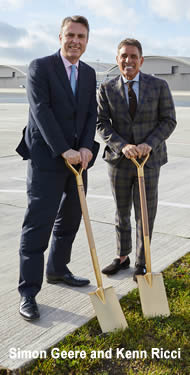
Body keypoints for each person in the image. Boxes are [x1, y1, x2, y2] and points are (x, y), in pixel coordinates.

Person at [16, 15, 98, 321]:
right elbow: (41, 111)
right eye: (70, 35)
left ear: (87, 41)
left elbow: (91, 111)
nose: (75, 40)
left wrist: (87, 147)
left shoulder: (89, 73)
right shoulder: (40, 67)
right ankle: (28, 292)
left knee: (71, 219)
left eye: (81, 36)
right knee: (38, 227)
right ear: (60, 37)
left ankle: (57, 269)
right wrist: (63, 150)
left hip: (80, 161)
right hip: (48, 160)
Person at [97, 38, 176, 282]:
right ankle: (122, 256)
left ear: (141, 60)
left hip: (148, 162)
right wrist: (124, 146)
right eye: (123, 56)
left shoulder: (159, 86)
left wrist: (148, 144)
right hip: (119, 162)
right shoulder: (107, 88)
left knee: (145, 213)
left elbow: (168, 120)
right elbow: (101, 123)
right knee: (121, 212)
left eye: (133, 56)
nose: (128, 61)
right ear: (117, 59)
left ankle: (142, 262)